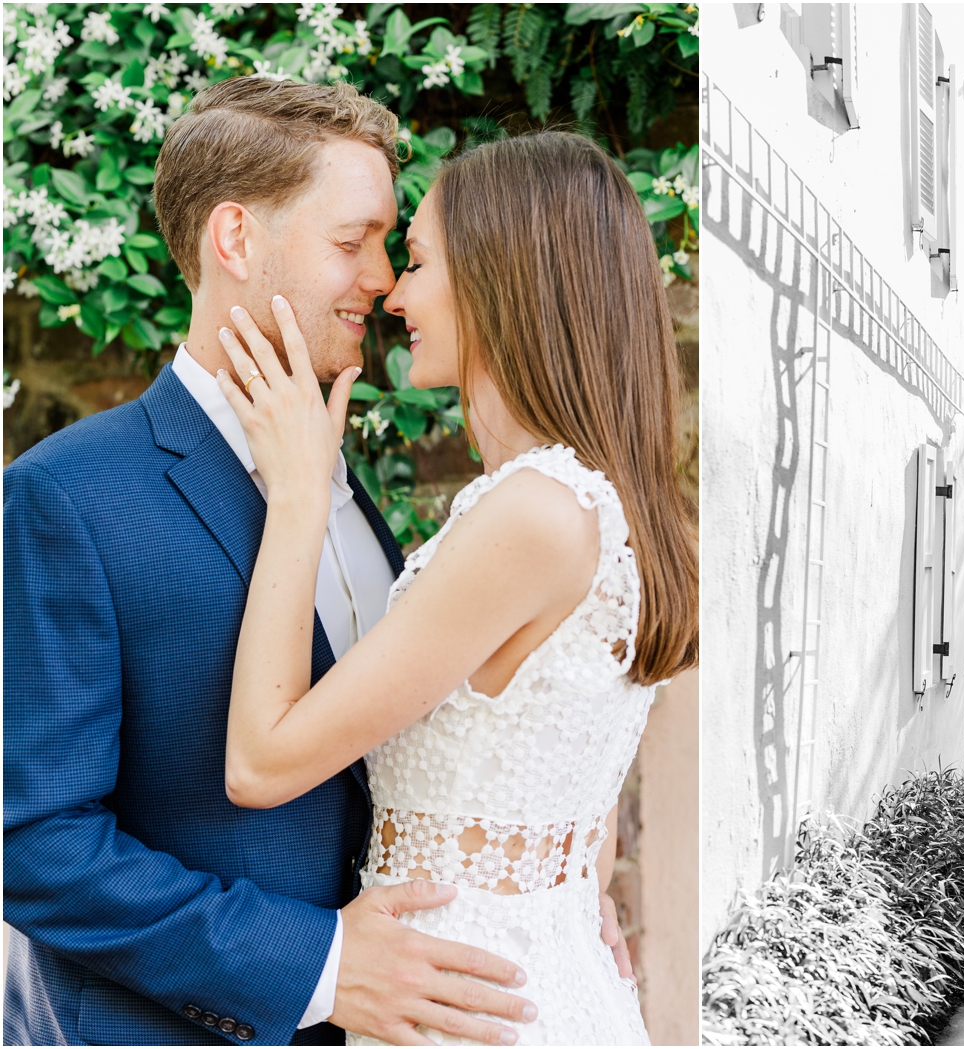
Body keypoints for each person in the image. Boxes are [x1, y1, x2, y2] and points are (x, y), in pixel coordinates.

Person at [2, 78, 635, 1047]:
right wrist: (317, 963)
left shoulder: (351, 487)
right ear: (235, 240)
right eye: (353, 241)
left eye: (391, 245)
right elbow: (33, 844)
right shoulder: (70, 496)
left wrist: (554, 875)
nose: (382, 280)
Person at [211, 124, 697, 1046]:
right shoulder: (608, 508)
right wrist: (564, 897)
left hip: (468, 1009)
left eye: (421, 261)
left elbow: (262, 760)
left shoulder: (533, 516)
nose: (393, 290)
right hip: (517, 981)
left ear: (499, 280)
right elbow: (576, 808)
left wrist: (299, 496)